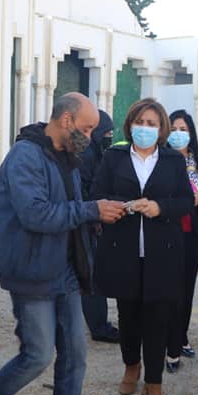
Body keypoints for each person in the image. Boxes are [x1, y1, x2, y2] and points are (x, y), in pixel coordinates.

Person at [0, 93, 126, 395]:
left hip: (64, 271)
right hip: (32, 272)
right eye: (87, 127)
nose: (92, 134)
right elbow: (36, 215)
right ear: (66, 120)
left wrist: (94, 218)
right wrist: (89, 210)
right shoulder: (25, 157)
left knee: (75, 355)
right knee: (36, 356)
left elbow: (70, 211)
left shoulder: (67, 157)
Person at [92, 98, 194, 395]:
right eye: (140, 122)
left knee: (158, 317)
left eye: (152, 124)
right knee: (128, 314)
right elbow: (96, 193)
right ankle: (130, 368)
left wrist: (159, 206)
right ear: (130, 125)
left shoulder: (173, 162)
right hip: (123, 250)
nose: (145, 129)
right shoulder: (114, 157)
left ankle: (154, 385)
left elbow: (187, 201)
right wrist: (121, 205)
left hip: (162, 253)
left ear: (161, 128)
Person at [165, 110, 198, 372]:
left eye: (183, 128)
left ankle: (181, 337)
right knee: (168, 287)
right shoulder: (162, 159)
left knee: (186, 288)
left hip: (192, 232)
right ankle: (166, 340)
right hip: (167, 232)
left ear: (191, 132)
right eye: (173, 128)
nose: (178, 133)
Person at [78, 109, 121, 343]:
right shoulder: (86, 154)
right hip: (85, 220)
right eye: (106, 132)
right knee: (91, 277)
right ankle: (99, 327)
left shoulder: (93, 151)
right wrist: (95, 215)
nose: (109, 136)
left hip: (86, 219)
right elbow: (86, 189)